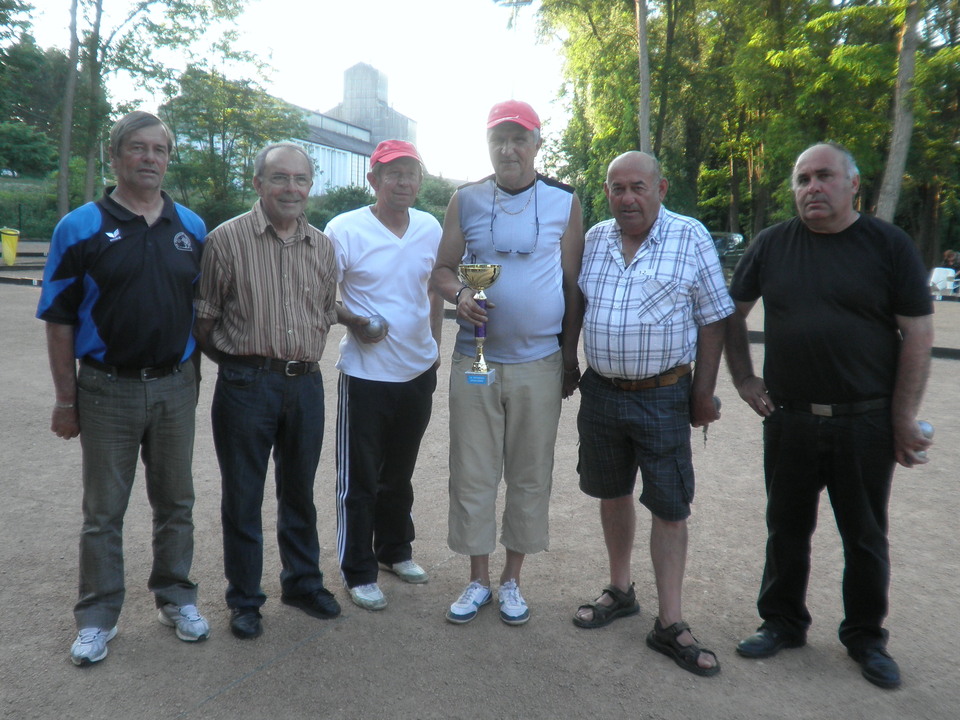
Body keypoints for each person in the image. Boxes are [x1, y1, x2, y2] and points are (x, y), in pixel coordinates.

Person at [725, 142, 934, 689]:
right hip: (790, 417)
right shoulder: (772, 245)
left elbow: (917, 332)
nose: (811, 188)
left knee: (864, 534)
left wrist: (902, 416)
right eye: (801, 179)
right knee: (785, 527)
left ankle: (866, 637)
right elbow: (732, 312)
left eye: (823, 177)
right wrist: (744, 378)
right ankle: (782, 621)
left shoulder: (889, 246)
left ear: (853, 184)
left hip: (864, 420)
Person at [37, 110, 210, 666]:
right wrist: (67, 400)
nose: (150, 158)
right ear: (116, 156)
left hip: (175, 387)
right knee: (104, 511)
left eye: (159, 149)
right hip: (107, 389)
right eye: (138, 148)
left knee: (176, 502)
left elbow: (201, 310)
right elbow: (59, 318)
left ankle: (175, 596)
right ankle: (97, 614)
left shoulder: (192, 227)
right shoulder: (80, 226)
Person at [571, 151, 732, 677]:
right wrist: (568, 365)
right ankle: (621, 589)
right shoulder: (594, 239)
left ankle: (670, 621)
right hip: (601, 392)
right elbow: (577, 306)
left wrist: (703, 393)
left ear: (660, 187)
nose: (626, 198)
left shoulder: (690, 236)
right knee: (611, 491)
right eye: (616, 189)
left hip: (663, 393)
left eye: (637, 187)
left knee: (669, 504)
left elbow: (713, 319)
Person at [430, 100, 584, 625]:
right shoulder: (466, 199)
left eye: (519, 139)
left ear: (538, 144)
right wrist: (460, 298)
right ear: (488, 144)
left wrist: (568, 358)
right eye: (499, 139)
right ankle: (477, 579)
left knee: (529, 472)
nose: (508, 148)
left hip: (539, 361)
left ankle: (512, 579)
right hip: (475, 359)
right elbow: (444, 270)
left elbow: (571, 285)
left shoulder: (565, 202)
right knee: (472, 472)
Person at [195, 142, 341, 640]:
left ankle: (301, 583)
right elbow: (205, 320)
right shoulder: (225, 241)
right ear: (257, 183)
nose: (291, 189)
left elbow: (325, 310)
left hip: (306, 385)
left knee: (299, 490)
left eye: (300, 179)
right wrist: (239, 366)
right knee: (243, 495)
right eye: (280, 178)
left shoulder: (323, 245)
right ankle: (245, 599)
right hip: (245, 384)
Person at [324, 140, 442, 611]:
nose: (404, 182)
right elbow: (320, 296)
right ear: (373, 179)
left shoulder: (430, 227)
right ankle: (358, 569)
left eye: (411, 173)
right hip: (366, 374)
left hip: (417, 370)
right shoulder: (344, 229)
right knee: (360, 479)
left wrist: (433, 347)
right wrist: (354, 321)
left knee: (401, 472)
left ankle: (395, 550)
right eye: (392, 174)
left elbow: (435, 288)